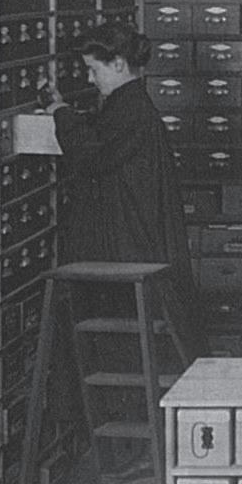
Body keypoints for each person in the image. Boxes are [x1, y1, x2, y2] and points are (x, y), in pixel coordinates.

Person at [47, 25, 193, 297]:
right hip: (133, 231)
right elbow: (104, 137)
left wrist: (61, 112)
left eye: (94, 69)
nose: (90, 79)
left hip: (130, 240)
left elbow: (91, 155)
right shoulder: (128, 102)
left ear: (118, 64)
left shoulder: (131, 109)